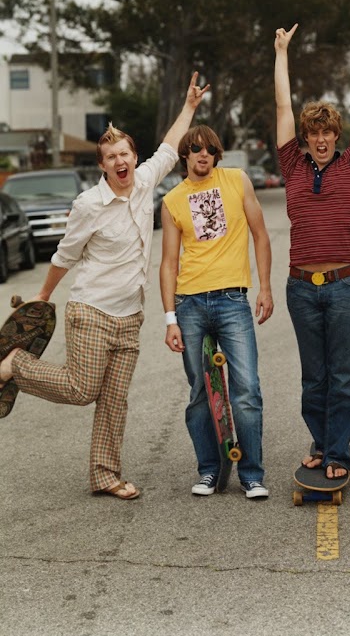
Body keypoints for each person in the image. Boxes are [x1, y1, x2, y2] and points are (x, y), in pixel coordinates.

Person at [0, 73, 208, 499]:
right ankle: (15, 364)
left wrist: (189, 106)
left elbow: (170, 147)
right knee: (82, 390)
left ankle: (105, 475)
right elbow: (64, 256)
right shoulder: (89, 204)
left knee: (114, 402)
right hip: (91, 311)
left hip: (130, 317)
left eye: (125, 153)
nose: (119, 161)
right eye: (111, 156)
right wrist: (43, 296)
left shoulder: (145, 182)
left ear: (134, 156)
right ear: (102, 166)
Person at [274, 22, 350, 480]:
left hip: (344, 287)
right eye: (313, 133)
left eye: (327, 133)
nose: (321, 140)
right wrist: (282, 53)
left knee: (342, 375)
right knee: (313, 376)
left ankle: (339, 453)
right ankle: (321, 443)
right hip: (301, 287)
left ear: (336, 136)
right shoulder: (291, 165)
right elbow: (282, 106)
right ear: (305, 137)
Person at [160, 125, 273, 499]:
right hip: (190, 303)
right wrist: (170, 318)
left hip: (232, 301)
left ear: (216, 153)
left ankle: (252, 474)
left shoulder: (237, 181)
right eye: (195, 148)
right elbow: (169, 262)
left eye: (209, 149)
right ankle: (209, 470)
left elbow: (260, 234)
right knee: (199, 392)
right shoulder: (172, 200)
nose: (202, 154)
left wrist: (265, 287)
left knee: (247, 389)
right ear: (185, 155)